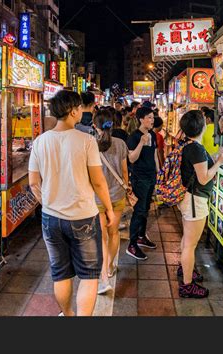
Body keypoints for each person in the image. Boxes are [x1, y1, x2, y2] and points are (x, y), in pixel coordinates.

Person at [28, 90, 114, 316]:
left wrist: (48, 203)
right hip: (83, 217)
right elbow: (98, 181)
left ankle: (67, 314)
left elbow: (34, 183)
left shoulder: (40, 142)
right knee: (88, 276)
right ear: (73, 110)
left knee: (61, 273)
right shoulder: (86, 141)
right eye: (79, 108)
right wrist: (110, 209)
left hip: (50, 219)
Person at [177, 110, 223, 298]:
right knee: (190, 244)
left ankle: (185, 270)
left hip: (190, 199)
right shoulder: (196, 149)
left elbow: (201, 167)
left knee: (187, 240)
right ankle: (187, 285)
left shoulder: (190, 145)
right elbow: (204, 177)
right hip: (195, 200)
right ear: (202, 126)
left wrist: (215, 158)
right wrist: (220, 162)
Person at [93, 108, 129, 294]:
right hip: (117, 196)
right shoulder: (121, 143)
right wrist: (125, 188)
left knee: (102, 236)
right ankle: (109, 267)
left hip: (97, 197)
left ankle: (103, 272)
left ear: (94, 125)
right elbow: (124, 172)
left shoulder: (90, 144)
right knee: (114, 233)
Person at [126, 107, 159, 260]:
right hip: (139, 178)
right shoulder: (134, 137)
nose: (152, 120)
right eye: (149, 118)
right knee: (138, 211)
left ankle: (141, 236)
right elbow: (131, 158)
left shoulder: (153, 134)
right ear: (141, 119)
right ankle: (132, 245)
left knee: (146, 209)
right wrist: (141, 143)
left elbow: (154, 156)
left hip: (151, 176)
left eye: (153, 118)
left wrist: (158, 174)